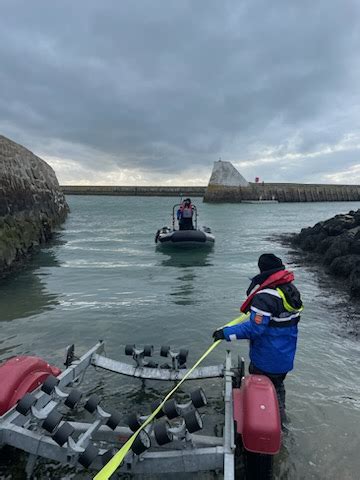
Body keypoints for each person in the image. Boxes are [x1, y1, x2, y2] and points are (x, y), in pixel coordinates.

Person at [213, 254, 303, 425]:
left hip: (265, 360)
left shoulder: (265, 297)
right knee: (277, 390)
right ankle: (283, 423)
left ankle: (264, 426)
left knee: (262, 395)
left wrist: (225, 333)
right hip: (284, 358)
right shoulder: (290, 292)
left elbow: (255, 329)